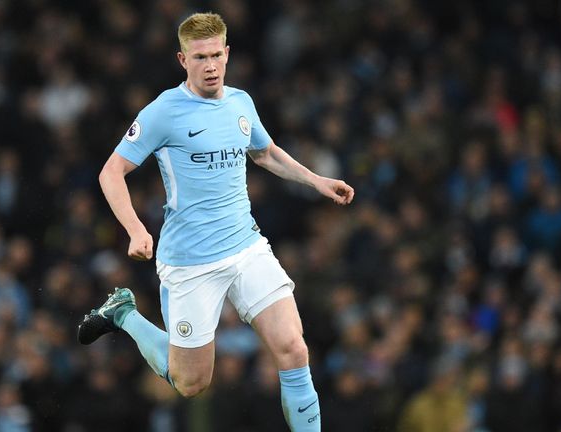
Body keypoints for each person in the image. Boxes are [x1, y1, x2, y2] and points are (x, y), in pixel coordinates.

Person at [77, 12, 354, 431]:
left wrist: (315, 180)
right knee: (191, 383)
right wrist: (135, 228)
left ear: (228, 54)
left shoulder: (241, 102)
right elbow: (110, 172)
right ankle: (123, 314)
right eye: (199, 57)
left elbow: (263, 151)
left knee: (294, 350)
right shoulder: (163, 112)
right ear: (182, 59)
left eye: (216, 56)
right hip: (190, 262)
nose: (209, 66)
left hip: (246, 247)